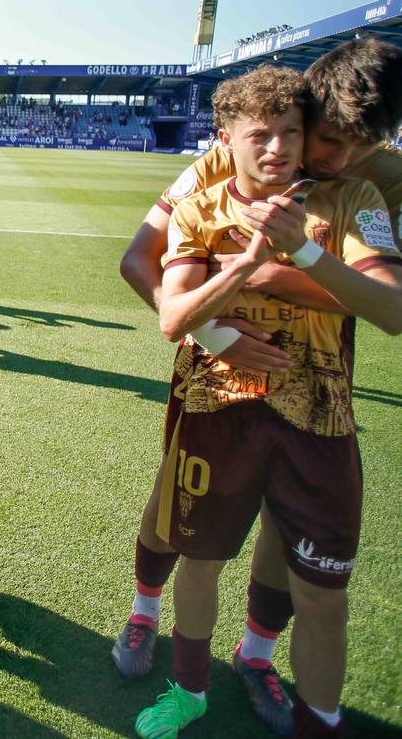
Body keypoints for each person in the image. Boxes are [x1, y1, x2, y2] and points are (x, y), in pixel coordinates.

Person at [113, 39, 402, 734]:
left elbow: (382, 297)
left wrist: (282, 270)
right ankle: (144, 613)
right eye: (328, 138)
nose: (331, 157)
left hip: (315, 377)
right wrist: (217, 331)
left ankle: (257, 656)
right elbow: (136, 261)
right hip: (214, 372)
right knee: (177, 509)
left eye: (359, 145)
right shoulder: (227, 156)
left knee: (286, 529)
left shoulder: (375, 178)